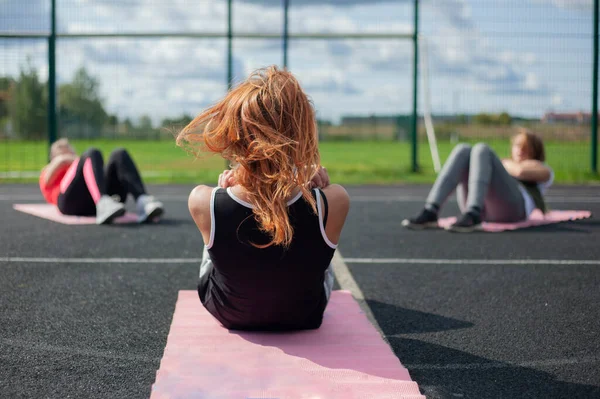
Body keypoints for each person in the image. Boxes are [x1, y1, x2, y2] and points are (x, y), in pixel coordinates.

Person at [177, 66, 350, 331]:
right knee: (322, 245)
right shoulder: (336, 199)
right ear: (299, 134)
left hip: (228, 314)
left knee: (213, 224)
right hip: (304, 316)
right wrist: (310, 185)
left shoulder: (201, 200)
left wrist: (225, 190)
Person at [402, 129, 553, 232]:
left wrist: (502, 163)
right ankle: (431, 210)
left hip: (514, 211)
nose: (520, 150)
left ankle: (473, 213)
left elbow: (520, 171)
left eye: (526, 147)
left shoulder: (543, 168)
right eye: (518, 145)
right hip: (485, 209)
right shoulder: (504, 164)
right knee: (464, 149)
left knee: (481, 149)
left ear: (536, 150)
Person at [39, 138, 164, 225]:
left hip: (94, 199)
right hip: (70, 203)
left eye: (68, 147)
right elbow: (49, 176)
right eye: (60, 148)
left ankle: (142, 201)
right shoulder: (48, 170)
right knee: (91, 152)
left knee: (119, 154)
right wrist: (65, 158)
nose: (66, 150)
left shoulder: (84, 164)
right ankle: (102, 203)